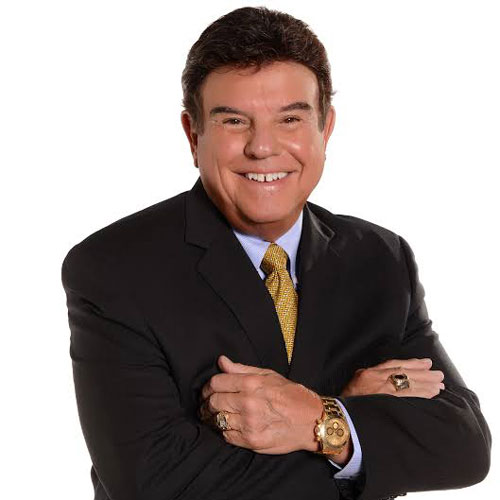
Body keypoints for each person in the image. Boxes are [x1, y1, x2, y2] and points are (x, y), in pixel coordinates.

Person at [61, 6, 491, 500]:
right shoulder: (115, 269)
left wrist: (318, 418)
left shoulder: (380, 259)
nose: (263, 147)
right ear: (193, 134)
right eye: (234, 121)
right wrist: (350, 426)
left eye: (290, 119)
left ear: (325, 129)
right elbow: (158, 485)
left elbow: (464, 446)